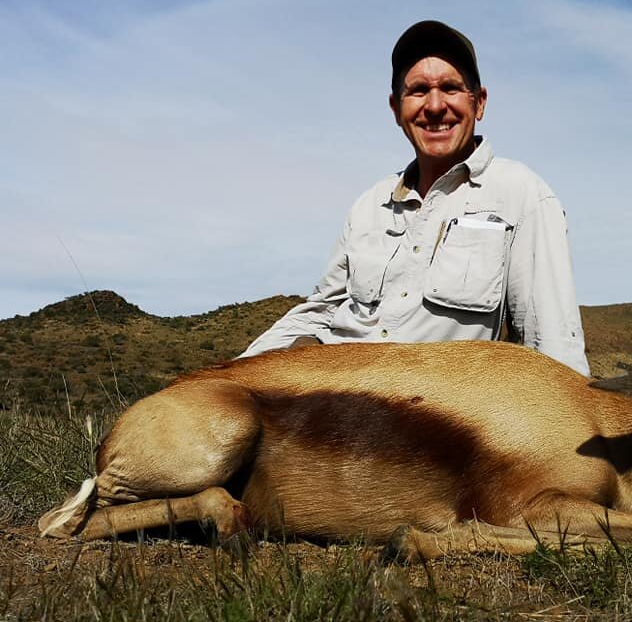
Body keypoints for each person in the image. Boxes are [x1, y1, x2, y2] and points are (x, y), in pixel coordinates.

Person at [240, 20, 590, 376]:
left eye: (451, 88)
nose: (435, 106)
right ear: (396, 109)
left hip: (426, 420)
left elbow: (553, 348)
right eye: (418, 90)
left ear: (479, 102)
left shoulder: (522, 195)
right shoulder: (369, 205)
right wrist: (232, 375)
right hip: (332, 400)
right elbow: (323, 310)